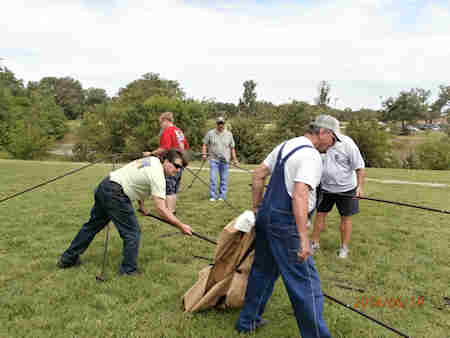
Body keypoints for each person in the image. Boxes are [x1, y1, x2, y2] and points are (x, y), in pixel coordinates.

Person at [235, 115, 339, 337]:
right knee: (305, 282)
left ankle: (248, 322)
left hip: (266, 217)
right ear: (323, 133)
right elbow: (300, 194)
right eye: (333, 138)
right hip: (286, 224)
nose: (333, 144)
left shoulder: (287, 145)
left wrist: (257, 207)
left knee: (262, 271)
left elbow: (258, 174)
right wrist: (303, 237)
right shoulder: (311, 156)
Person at [57, 149, 193, 275]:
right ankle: (128, 271)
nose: (178, 170)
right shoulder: (158, 175)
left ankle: (67, 259)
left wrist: (142, 205)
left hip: (105, 186)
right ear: (167, 161)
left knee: (92, 226)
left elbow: (138, 179)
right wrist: (181, 226)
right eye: (177, 166)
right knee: (132, 233)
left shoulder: (151, 160)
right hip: (116, 194)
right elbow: (162, 209)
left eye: (181, 168)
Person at [311, 116, 365, 259]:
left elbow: (360, 167)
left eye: (321, 133)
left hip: (346, 189)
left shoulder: (348, 145)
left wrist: (359, 187)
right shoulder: (318, 144)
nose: (318, 136)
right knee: (320, 215)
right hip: (325, 188)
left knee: (345, 218)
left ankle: (344, 248)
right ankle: (314, 243)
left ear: (331, 133)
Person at [143, 112, 189, 214]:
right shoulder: (179, 131)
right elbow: (185, 147)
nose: (161, 125)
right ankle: (172, 209)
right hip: (180, 162)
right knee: (174, 187)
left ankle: (169, 211)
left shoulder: (167, 131)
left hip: (171, 163)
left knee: (168, 187)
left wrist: (150, 153)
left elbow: (164, 148)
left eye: (161, 123)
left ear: (165, 120)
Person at [201, 116, 238, 201]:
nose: (220, 125)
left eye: (222, 123)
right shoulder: (210, 133)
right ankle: (213, 196)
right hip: (214, 159)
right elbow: (204, 144)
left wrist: (235, 159)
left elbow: (232, 148)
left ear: (224, 124)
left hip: (225, 161)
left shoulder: (229, 134)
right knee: (213, 178)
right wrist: (204, 154)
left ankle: (222, 196)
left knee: (224, 179)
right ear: (216, 124)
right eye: (219, 123)